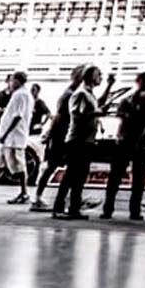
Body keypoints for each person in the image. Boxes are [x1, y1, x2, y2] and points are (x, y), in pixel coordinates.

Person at [103, 71, 145, 221]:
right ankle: (108, 208)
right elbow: (122, 117)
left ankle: (135, 210)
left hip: (143, 144)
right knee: (115, 177)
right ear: (138, 81)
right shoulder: (126, 100)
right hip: (125, 142)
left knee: (139, 180)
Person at [54, 65, 104, 219]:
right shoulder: (80, 94)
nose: (100, 77)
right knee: (72, 175)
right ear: (89, 76)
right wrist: (96, 113)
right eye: (98, 74)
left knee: (79, 177)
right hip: (78, 140)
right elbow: (76, 115)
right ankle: (60, 207)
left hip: (86, 140)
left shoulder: (89, 94)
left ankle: (73, 207)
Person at [31, 66, 83, 211]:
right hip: (62, 135)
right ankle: (41, 198)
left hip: (62, 134)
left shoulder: (71, 93)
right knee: (54, 167)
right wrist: (51, 134)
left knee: (55, 167)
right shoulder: (70, 94)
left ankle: (42, 198)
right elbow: (59, 116)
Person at [0, 71, 34, 204]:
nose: (9, 84)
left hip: (14, 138)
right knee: (1, 164)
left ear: (17, 81)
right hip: (10, 139)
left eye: (11, 80)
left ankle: (24, 193)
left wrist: (5, 134)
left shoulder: (20, 95)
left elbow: (18, 116)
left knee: (18, 166)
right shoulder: (21, 94)